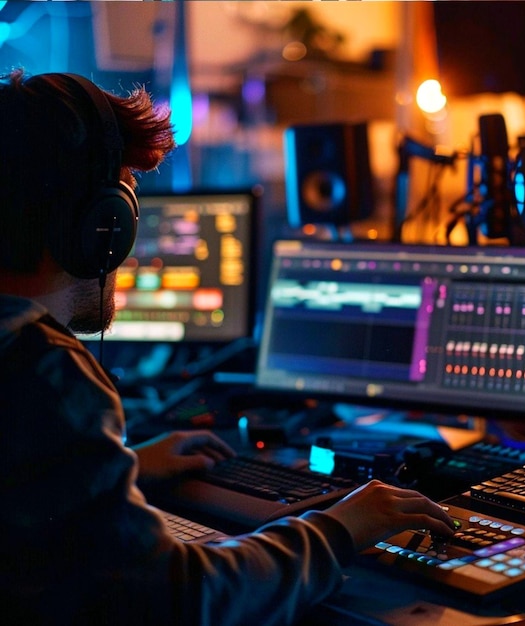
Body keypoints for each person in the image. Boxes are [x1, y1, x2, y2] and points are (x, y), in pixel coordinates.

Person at [0, 69, 455, 626]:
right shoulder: (42, 369)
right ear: (103, 224)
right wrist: (342, 527)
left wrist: (125, 467)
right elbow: (184, 599)